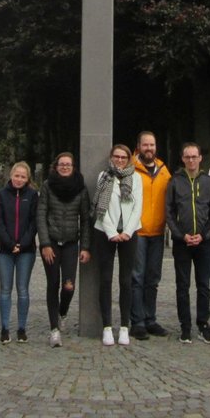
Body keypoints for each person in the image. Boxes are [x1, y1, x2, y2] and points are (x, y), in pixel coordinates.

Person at [166, 142, 210, 344]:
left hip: (203, 242)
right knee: (182, 285)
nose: (191, 160)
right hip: (182, 242)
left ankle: (203, 324)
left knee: (203, 285)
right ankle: (185, 326)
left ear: (200, 158)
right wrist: (181, 235)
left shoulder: (208, 182)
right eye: (187, 157)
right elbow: (169, 212)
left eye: (194, 156)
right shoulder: (174, 181)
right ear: (183, 158)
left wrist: (204, 235)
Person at [37, 152, 92, 348]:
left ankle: (62, 312)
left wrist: (85, 246)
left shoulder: (80, 188)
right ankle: (54, 329)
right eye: (62, 164)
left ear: (73, 167)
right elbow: (41, 215)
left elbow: (85, 220)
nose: (65, 167)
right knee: (53, 284)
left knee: (69, 286)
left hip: (70, 242)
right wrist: (44, 243)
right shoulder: (47, 186)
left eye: (68, 164)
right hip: (51, 242)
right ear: (56, 166)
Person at [92, 144, 142, 346]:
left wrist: (127, 232)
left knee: (126, 280)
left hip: (129, 232)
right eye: (116, 156)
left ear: (129, 159)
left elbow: (138, 207)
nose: (120, 160)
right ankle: (106, 327)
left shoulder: (136, 178)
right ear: (111, 157)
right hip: (105, 231)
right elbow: (100, 207)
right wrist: (112, 232)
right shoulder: (104, 176)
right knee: (105, 279)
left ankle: (123, 327)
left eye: (123, 157)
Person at [129, 130, 172, 340]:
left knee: (153, 278)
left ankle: (150, 319)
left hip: (157, 232)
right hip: (138, 231)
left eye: (152, 145)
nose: (149, 149)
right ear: (138, 147)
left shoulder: (164, 171)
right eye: (145, 145)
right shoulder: (130, 169)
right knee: (137, 277)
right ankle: (137, 321)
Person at [0, 161, 38, 344]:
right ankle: (5, 328)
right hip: (5, 249)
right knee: (5, 289)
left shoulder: (33, 195)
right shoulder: (2, 195)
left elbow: (34, 222)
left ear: (27, 179)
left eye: (23, 176)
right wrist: (11, 243)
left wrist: (22, 244)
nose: (19, 179)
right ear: (11, 176)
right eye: (16, 175)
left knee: (23, 290)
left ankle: (21, 328)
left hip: (26, 250)